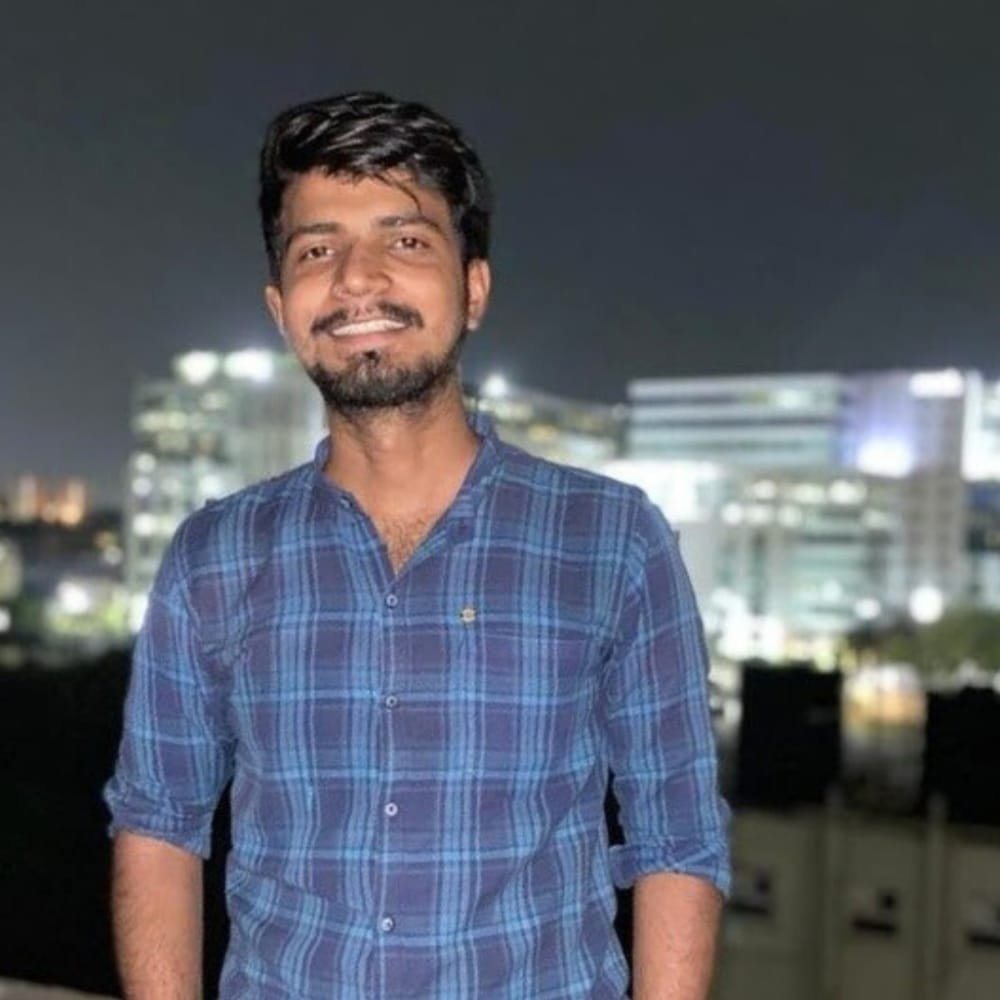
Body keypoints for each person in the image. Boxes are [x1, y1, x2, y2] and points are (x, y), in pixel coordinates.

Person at [104, 90, 730, 999]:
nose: (357, 279)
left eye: (404, 241)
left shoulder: (612, 540)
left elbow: (677, 834)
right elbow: (159, 823)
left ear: (473, 288)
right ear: (281, 307)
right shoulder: (215, 554)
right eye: (317, 249)